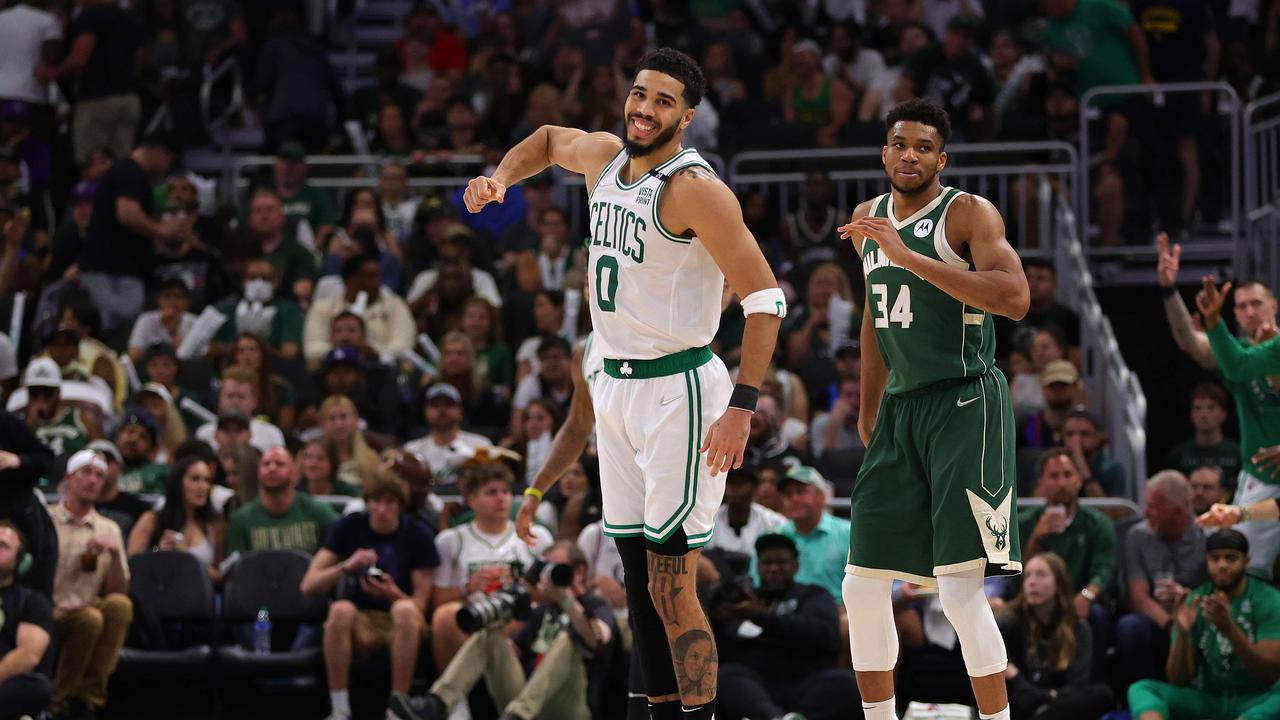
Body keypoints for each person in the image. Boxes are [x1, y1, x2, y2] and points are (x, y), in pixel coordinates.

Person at [464, 47, 786, 720]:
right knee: (637, 579)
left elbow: (765, 299)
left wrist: (742, 408)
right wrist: (501, 178)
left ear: (688, 116)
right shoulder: (605, 156)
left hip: (680, 391)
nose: (645, 109)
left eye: (663, 101)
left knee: (672, 585)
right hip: (614, 381)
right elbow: (551, 140)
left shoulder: (695, 188)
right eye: (640, 94)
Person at [837, 98, 1029, 720]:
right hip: (901, 409)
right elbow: (873, 316)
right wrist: (870, 409)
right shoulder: (868, 218)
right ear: (885, 152)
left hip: (966, 400)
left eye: (923, 147)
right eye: (899, 144)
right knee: (862, 584)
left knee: (958, 588)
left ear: (941, 159)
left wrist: (908, 257)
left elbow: (1016, 298)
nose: (909, 155)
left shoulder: (967, 212)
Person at [417, 540, 613, 720]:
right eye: (546, 570)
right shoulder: (544, 610)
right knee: (490, 634)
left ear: (579, 572)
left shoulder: (595, 605)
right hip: (528, 700)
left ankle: (520, 713)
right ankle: (437, 703)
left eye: (557, 569)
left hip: (570, 704)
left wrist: (567, 600)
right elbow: (515, 650)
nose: (549, 576)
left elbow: (598, 639)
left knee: (567, 640)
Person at [301, 471, 438, 720]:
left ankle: (397, 708)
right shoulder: (350, 526)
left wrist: (392, 593)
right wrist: (346, 566)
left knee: (404, 610)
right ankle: (339, 708)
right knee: (340, 609)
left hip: (402, 621)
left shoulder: (418, 534)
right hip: (361, 621)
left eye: (389, 502)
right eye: (375, 501)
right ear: (367, 502)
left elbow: (420, 604)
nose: (381, 509)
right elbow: (309, 585)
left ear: (400, 505)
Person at [1128, 529, 1280, 720]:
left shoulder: (1268, 600)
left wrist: (1229, 629)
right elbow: (1179, 679)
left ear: (1246, 561)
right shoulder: (1195, 600)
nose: (1222, 565)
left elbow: (1269, 674)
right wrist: (1183, 633)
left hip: (1256, 698)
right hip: (1210, 698)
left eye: (1231, 558)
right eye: (1215, 558)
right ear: (1207, 562)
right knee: (1142, 689)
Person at [715, 533, 859, 720]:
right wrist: (719, 617)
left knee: (845, 683)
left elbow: (825, 636)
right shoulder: (740, 601)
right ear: (758, 567)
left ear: (796, 566)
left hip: (806, 682)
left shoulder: (812, 595)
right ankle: (775, 717)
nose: (774, 569)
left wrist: (759, 616)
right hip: (756, 685)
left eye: (782, 562)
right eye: (767, 563)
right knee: (724, 677)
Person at [1194, 275, 1280, 577]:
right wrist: (1212, 320)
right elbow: (1236, 365)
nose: (1251, 312)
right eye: (1242, 306)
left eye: (1257, 303)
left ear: (1274, 306)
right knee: (1244, 568)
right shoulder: (1255, 350)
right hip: (1263, 476)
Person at [430, 464, 553, 672]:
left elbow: (551, 595)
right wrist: (468, 587)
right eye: (491, 492)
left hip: (520, 620)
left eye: (505, 491)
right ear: (471, 500)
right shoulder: (451, 540)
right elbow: (436, 600)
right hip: (473, 618)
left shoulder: (537, 536)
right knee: (444, 616)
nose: (501, 498)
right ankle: (457, 702)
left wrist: (523, 588)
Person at [46, 450, 132, 720]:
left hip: (86, 604)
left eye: (100, 476)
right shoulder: (47, 520)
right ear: (69, 477)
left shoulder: (108, 529)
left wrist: (115, 556)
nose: (94, 480)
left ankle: (88, 700)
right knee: (90, 618)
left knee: (119, 606)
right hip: (51, 606)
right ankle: (58, 702)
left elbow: (118, 591)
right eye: (86, 472)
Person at [78, 134, 184, 337]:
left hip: (119, 267)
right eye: (169, 159)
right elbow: (127, 214)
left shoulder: (129, 172)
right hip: (110, 269)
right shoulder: (130, 171)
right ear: (158, 151)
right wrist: (162, 231)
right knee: (115, 326)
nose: (167, 166)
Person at [1116, 470, 1209, 686]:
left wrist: (1186, 616)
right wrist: (1171, 626)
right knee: (1129, 627)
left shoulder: (1208, 538)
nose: (1145, 513)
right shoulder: (1137, 536)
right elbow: (1138, 597)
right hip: (1156, 619)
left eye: (1153, 507)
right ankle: (1146, 694)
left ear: (1176, 511)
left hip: (1197, 616)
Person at [997, 553, 1114, 720]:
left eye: (1041, 575)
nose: (1031, 582)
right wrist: (1015, 676)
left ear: (1059, 584)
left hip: (1055, 702)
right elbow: (989, 649)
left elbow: (1077, 685)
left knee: (1103, 694)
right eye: (1028, 575)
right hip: (1020, 695)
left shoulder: (1078, 628)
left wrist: (1045, 696)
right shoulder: (1012, 619)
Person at [1018, 450, 1117, 634]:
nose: (1062, 483)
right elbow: (1015, 575)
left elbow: (1104, 571)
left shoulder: (1098, 524)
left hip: (1080, 596)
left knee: (1096, 614)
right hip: (1034, 599)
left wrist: (1087, 595)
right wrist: (1036, 538)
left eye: (1068, 475)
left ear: (1079, 480)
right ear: (1041, 483)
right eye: (1054, 476)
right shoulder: (1023, 523)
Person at [303, 253, 415, 365]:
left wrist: (375, 352)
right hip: (333, 372)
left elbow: (404, 347)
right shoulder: (322, 308)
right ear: (350, 280)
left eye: (378, 276)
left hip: (382, 371)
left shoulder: (396, 305)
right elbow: (312, 349)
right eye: (371, 276)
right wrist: (347, 353)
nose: (378, 282)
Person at [126, 456, 226, 581]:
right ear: (178, 482)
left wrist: (187, 557)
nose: (203, 487)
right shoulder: (152, 520)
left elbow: (220, 576)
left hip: (200, 594)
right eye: (195, 479)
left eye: (207, 480)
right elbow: (131, 567)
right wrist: (158, 553)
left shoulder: (214, 525)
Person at [225, 446, 338, 555]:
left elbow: (336, 557)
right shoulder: (241, 519)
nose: (272, 468)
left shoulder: (319, 512)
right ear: (258, 473)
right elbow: (238, 568)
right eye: (266, 464)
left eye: (280, 464)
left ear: (294, 472)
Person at [0, 520, 53, 720]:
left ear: (20, 560)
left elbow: (28, 656)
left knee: (36, 686)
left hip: (5, 683)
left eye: (3, 546)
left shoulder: (32, 601)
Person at [774, 466, 851, 603]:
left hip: (839, 616)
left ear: (821, 496)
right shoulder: (774, 538)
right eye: (788, 494)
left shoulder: (848, 534)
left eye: (801, 491)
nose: (794, 499)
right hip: (785, 617)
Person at [403, 383, 493, 492]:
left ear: (460, 411)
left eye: (448, 405)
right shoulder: (411, 450)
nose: (442, 410)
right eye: (435, 405)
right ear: (425, 412)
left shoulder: (480, 445)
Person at [210, 258, 305, 360]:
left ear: (275, 283)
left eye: (265, 278)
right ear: (243, 282)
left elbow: (289, 351)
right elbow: (210, 348)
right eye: (252, 278)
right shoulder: (225, 310)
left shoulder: (289, 310)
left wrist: (257, 350)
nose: (259, 283)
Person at [22, 357, 101, 461]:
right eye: (34, 392)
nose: (41, 399)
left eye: (47, 392)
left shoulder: (82, 418)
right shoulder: (20, 424)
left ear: (58, 393)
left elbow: (100, 452)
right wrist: (30, 425)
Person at [194, 365, 286, 453]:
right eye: (230, 396)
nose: (235, 402)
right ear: (220, 399)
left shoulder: (271, 435)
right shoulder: (204, 434)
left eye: (241, 396)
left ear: (255, 401)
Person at [1164, 383, 1241, 481]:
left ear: (1223, 414)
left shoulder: (1237, 454)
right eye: (1198, 408)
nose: (1203, 414)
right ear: (1191, 414)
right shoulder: (1177, 456)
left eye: (1210, 408)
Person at [706, 463, 786, 556]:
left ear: (754, 488)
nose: (734, 488)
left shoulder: (774, 522)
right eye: (730, 482)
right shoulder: (708, 520)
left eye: (740, 482)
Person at [1061, 410, 1128, 497]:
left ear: (1098, 437)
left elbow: (1110, 510)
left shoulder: (1113, 469)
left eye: (1084, 434)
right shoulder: (1052, 465)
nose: (1076, 440)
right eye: (1070, 434)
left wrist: (1082, 466)